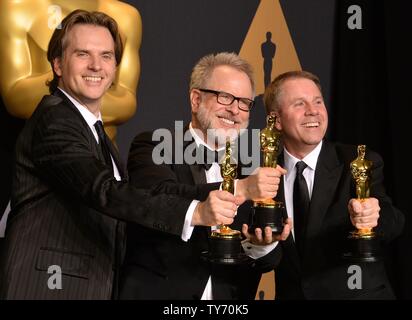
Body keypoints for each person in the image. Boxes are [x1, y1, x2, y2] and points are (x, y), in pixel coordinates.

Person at [0, 11, 240, 300]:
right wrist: (195, 211)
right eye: (82, 54)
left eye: (106, 56)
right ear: (58, 64)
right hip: (51, 285)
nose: (95, 66)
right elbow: (103, 190)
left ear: (115, 67)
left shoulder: (93, 130)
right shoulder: (55, 120)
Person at [120, 52, 292, 300]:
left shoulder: (256, 164)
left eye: (244, 102)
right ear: (196, 99)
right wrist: (239, 189)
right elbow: (159, 197)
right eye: (225, 97)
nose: (235, 110)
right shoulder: (155, 145)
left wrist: (262, 244)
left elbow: (272, 260)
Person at [263, 70, 404, 299]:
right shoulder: (263, 173)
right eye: (300, 104)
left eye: (318, 101)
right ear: (276, 120)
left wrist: (373, 219)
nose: (313, 111)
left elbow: (394, 221)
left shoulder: (358, 162)